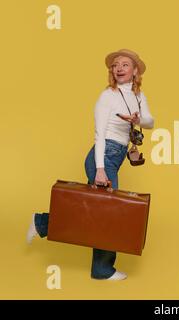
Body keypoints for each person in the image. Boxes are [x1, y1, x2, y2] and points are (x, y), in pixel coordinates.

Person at [26, 49, 154, 281]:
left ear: (135, 71)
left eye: (125, 64)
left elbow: (150, 122)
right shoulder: (108, 95)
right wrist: (101, 168)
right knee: (108, 211)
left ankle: (42, 222)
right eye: (116, 65)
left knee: (97, 209)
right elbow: (99, 135)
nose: (119, 68)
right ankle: (102, 268)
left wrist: (138, 120)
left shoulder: (138, 96)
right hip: (102, 156)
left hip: (117, 155)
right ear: (112, 71)